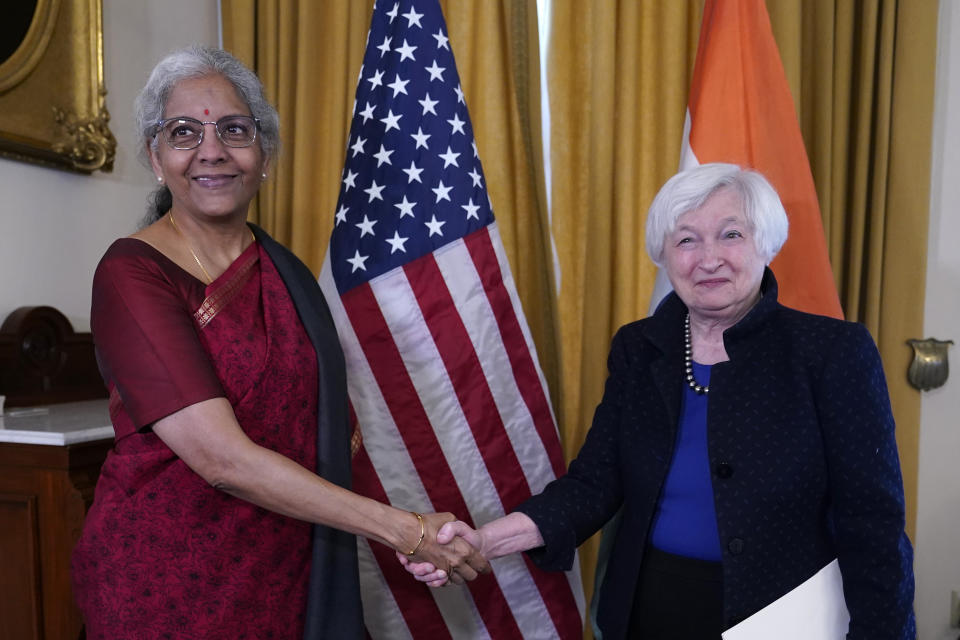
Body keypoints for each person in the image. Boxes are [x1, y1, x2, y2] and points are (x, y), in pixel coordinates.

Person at [71, 45, 487, 640]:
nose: (211, 151)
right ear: (156, 158)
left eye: (235, 130)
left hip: (287, 570)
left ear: (264, 154)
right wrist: (404, 530)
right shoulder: (133, 273)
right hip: (166, 579)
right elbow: (220, 458)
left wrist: (412, 539)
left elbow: (329, 436)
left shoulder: (287, 274)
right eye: (184, 132)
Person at [402, 163, 915, 639]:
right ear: (664, 256)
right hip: (652, 607)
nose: (709, 258)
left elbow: (872, 522)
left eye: (731, 234)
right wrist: (484, 541)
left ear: (767, 243)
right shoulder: (641, 347)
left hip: (784, 610)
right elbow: (594, 484)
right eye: (686, 240)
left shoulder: (832, 352)